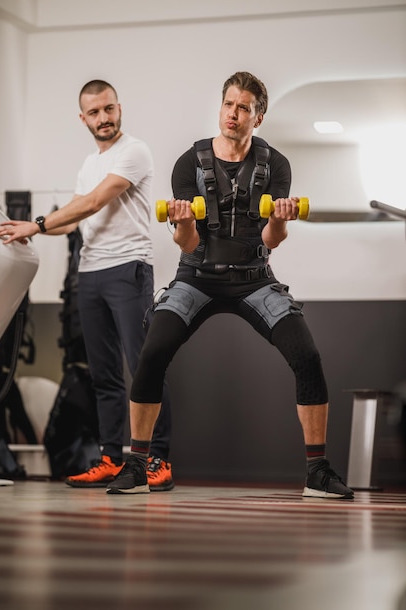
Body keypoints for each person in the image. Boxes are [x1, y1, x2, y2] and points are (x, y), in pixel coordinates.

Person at [105, 71, 354, 499]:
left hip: (253, 279)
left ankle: (317, 471)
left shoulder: (276, 165)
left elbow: (269, 241)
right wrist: (182, 222)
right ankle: (138, 465)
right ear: (220, 107)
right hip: (197, 276)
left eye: (244, 108)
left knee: (307, 355)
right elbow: (188, 242)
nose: (233, 114)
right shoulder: (189, 163)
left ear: (259, 118)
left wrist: (278, 216)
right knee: (154, 348)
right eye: (228, 105)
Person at [0, 79, 174, 491]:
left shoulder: (135, 151)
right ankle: (111, 457)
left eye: (108, 109)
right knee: (103, 375)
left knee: (144, 367)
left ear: (119, 108)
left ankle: (156, 459)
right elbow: (75, 219)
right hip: (90, 273)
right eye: (94, 112)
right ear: (83, 118)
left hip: (129, 267)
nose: (103, 118)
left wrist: (36, 224)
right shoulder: (88, 163)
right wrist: (30, 233)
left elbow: (94, 201)